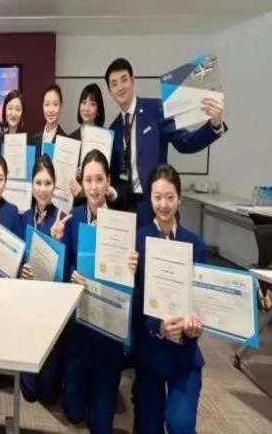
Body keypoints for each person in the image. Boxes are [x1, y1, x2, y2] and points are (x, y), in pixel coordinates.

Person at [61, 149, 138, 433]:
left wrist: (132, 267)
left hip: (108, 330)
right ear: (82, 183)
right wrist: (71, 272)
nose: (93, 187)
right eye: (88, 180)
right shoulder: (73, 218)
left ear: (108, 183)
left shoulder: (123, 224)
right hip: (80, 325)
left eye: (99, 180)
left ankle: (103, 385)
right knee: (73, 413)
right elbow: (64, 265)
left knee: (102, 425)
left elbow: (130, 284)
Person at [105, 58, 226, 228]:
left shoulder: (155, 109)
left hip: (157, 206)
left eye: (124, 80)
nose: (120, 87)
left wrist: (214, 125)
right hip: (126, 211)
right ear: (110, 91)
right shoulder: (113, 129)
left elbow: (185, 142)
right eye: (114, 84)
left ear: (133, 81)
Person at [134, 164, 206, 434]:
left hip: (184, 355)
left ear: (180, 198)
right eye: (157, 197)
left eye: (170, 197)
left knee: (180, 426)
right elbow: (135, 301)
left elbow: (203, 300)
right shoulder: (137, 241)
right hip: (150, 352)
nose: (163, 204)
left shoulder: (196, 245)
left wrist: (197, 323)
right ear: (149, 199)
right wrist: (158, 327)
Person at [19, 155, 72, 406]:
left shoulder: (63, 219)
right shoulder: (23, 217)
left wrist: (56, 240)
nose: (43, 189)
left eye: (48, 183)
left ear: (55, 186)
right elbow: (16, 259)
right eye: (38, 183)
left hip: (53, 310)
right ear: (31, 185)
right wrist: (21, 271)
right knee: (29, 393)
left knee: (49, 396)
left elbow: (67, 271)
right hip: (28, 308)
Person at [31, 84, 68, 157]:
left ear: (61, 106)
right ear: (42, 106)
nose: (50, 110)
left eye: (55, 104)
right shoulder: (34, 139)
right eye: (47, 104)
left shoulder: (66, 141)